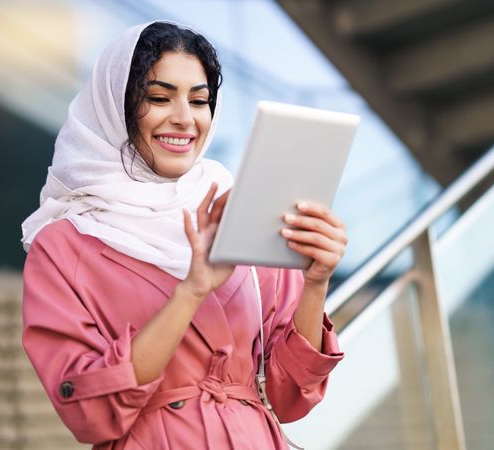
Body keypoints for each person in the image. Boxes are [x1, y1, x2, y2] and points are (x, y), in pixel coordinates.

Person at [21, 21, 346, 450]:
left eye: (199, 101)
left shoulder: (240, 211)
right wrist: (191, 291)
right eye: (158, 98)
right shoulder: (64, 244)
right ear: (114, 106)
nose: (184, 119)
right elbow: (91, 415)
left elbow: (289, 398)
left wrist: (316, 282)